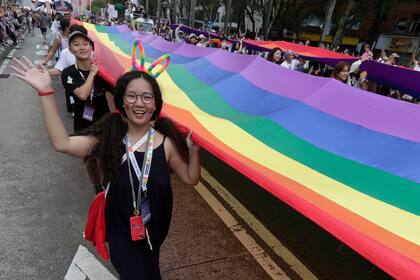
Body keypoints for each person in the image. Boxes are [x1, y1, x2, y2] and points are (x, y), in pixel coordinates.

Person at [11, 53, 201, 279]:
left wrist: (193, 152)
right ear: (122, 101)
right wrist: (45, 92)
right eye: (132, 96)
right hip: (122, 232)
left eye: (146, 97)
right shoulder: (108, 138)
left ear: (155, 104)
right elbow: (62, 143)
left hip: (154, 233)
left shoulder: (165, 143)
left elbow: (191, 178)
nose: (139, 103)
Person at [60, 30, 114, 193]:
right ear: (70, 49)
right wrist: (92, 74)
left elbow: (113, 93)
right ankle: (97, 186)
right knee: (90, 158)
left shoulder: (102, 70)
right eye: (76, 44)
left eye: (85, 44)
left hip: (103, 120)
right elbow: (83, 95)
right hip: (83, 122)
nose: (82, 47)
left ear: (92, 47)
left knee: (107, 155)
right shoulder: (69, 73)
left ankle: (108, 185)